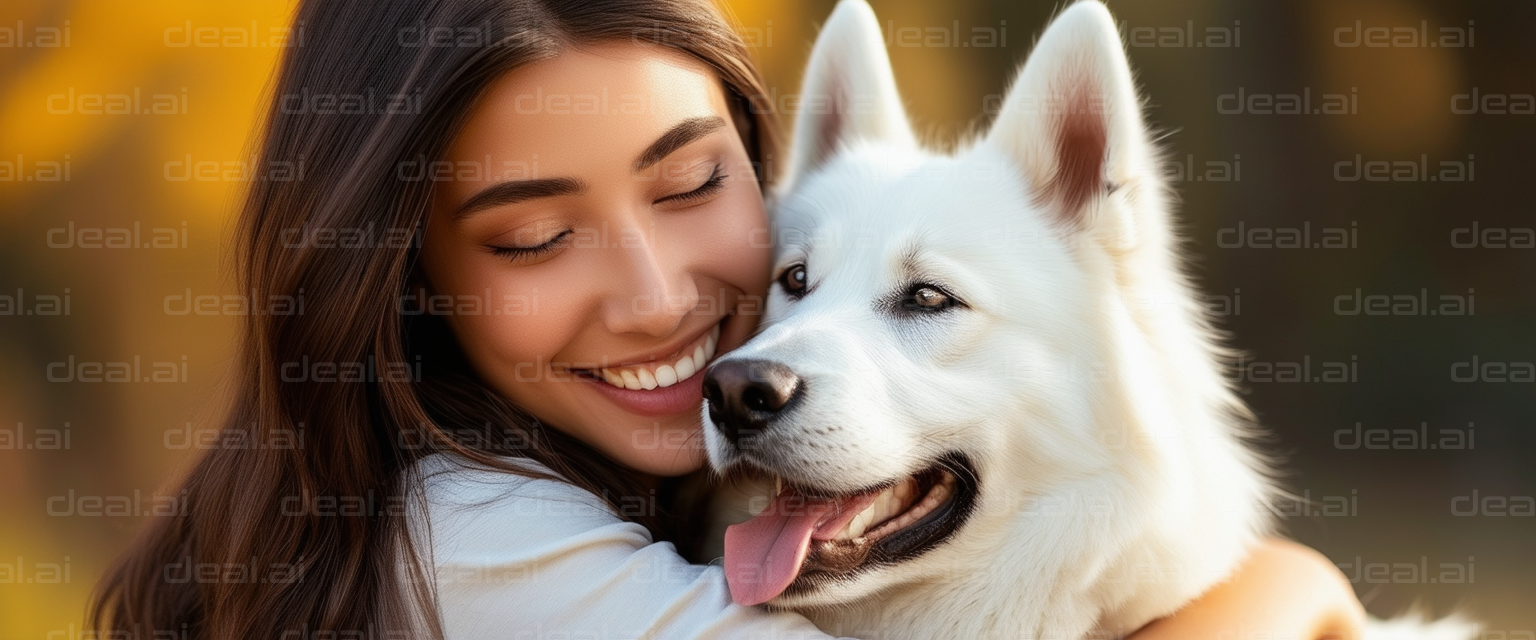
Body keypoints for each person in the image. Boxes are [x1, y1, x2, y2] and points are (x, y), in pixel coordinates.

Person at [89, 1, 1368, 639]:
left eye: (696, 182)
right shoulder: (469, 536)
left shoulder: (640, 494)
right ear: (397, 278)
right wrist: (1278, 588)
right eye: (534, 238)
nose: (661, 303)